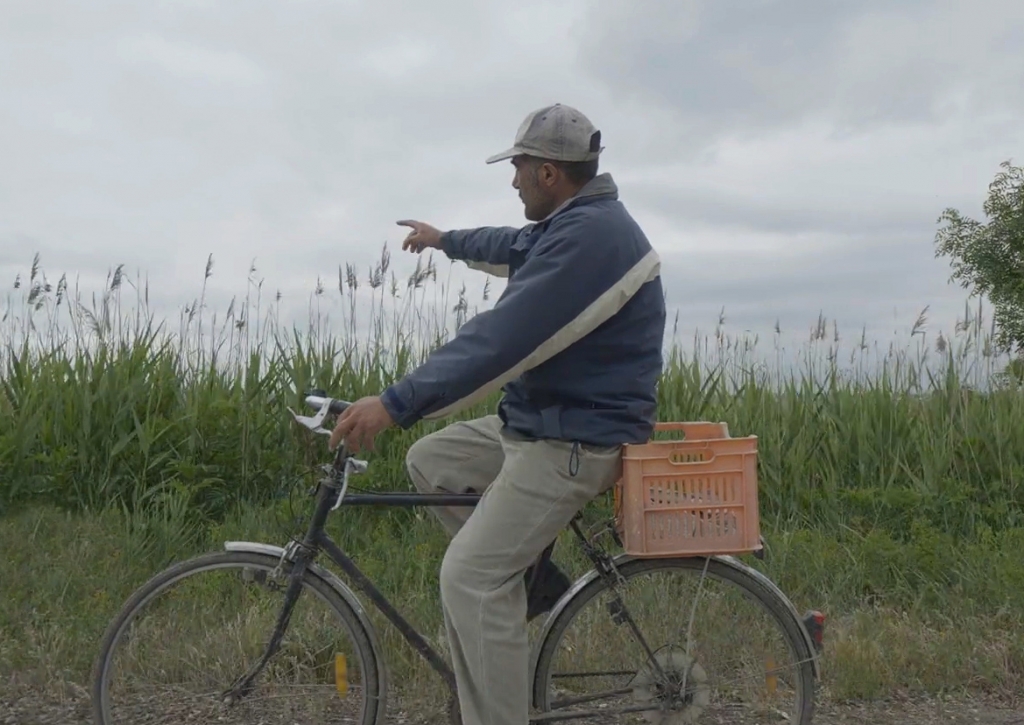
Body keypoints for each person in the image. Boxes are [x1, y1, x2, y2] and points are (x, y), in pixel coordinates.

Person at [329, 103, 666, 725]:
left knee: (469, 578)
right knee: (433, 460)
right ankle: (527, 583)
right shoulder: (570, 224)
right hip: (544, 421)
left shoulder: (592, 239)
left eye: (518, 168)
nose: (511, 180)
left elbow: (501, 340)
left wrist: (396, 403)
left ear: (547, 174)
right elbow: (510, 244)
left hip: (576, 441)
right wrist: (444, 241)